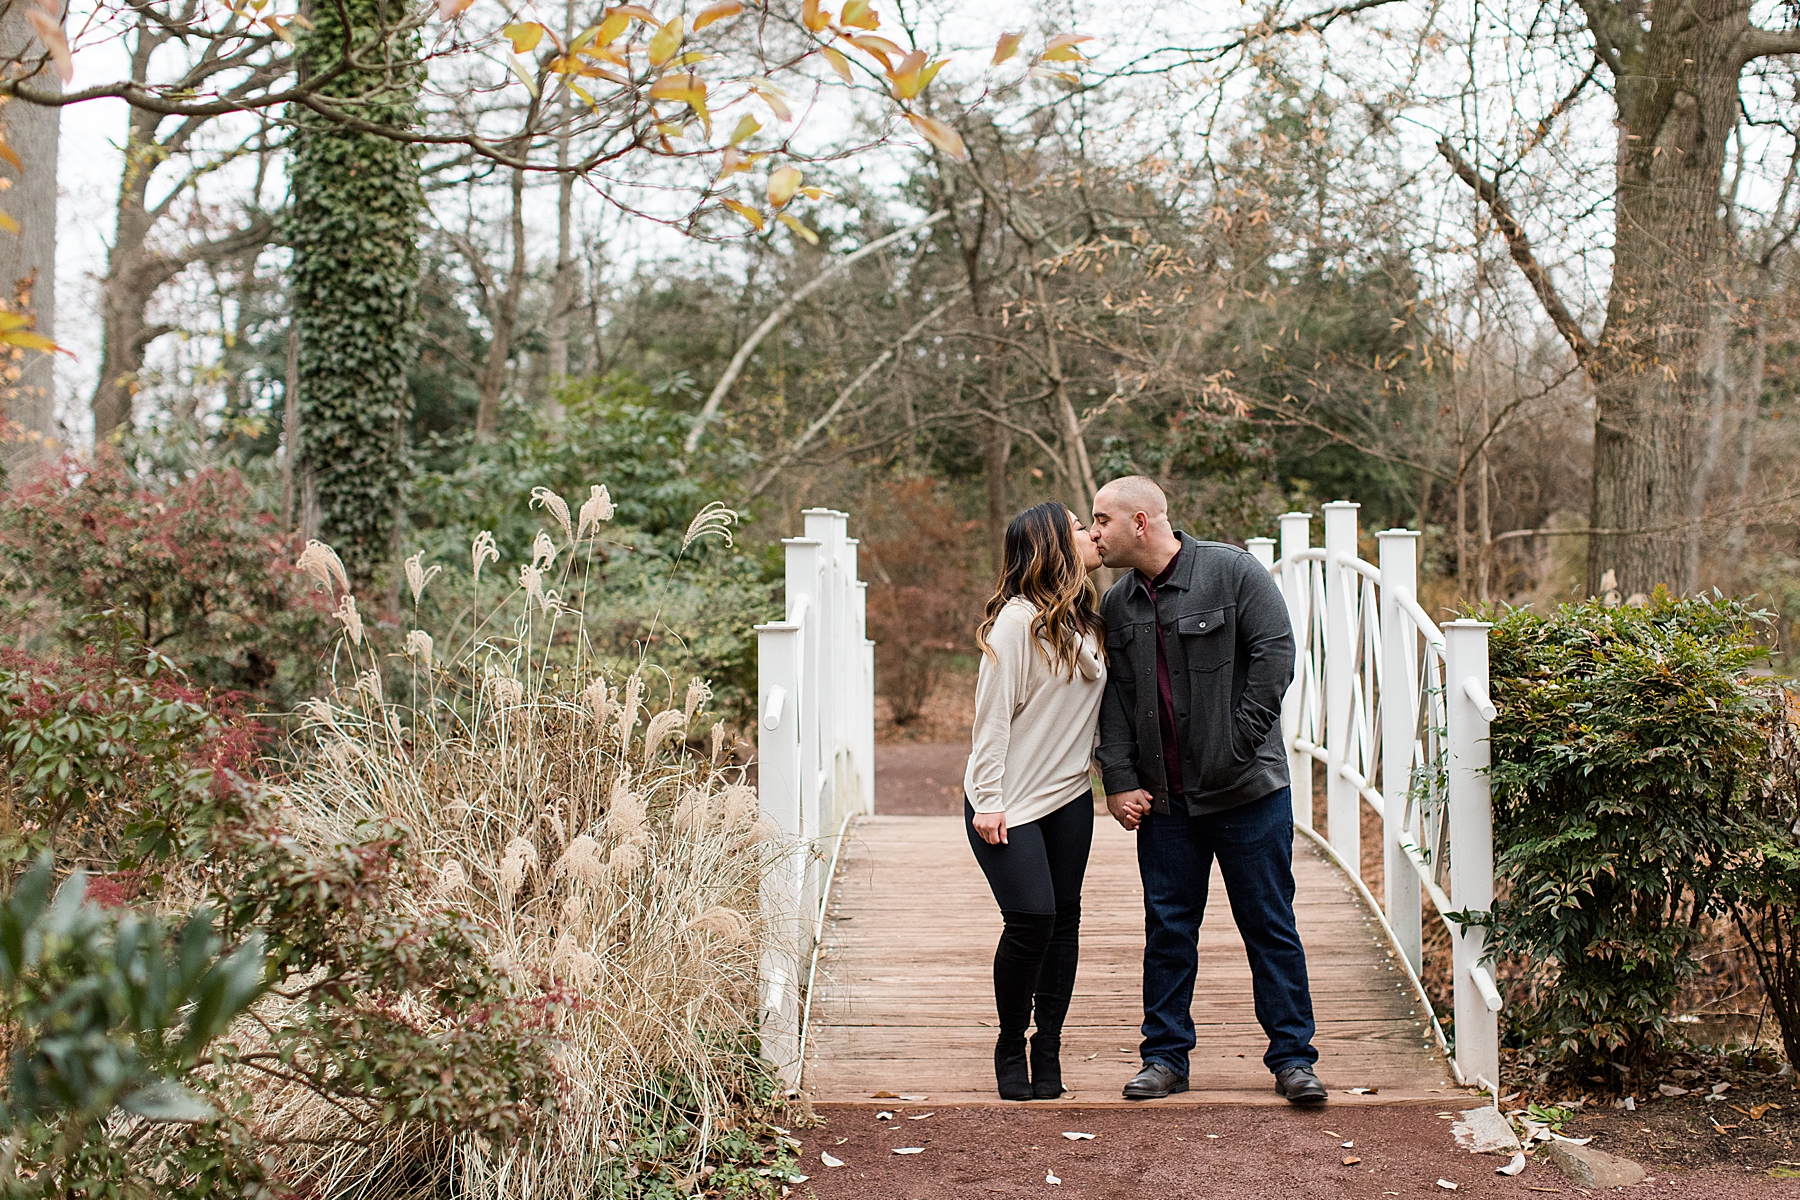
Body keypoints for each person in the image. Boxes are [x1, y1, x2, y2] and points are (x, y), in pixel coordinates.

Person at [1088, 475, 1326, 1105]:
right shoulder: (1118, 605)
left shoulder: (1234, 574)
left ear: (1139, 521)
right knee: (1168, 929)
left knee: (1269, 924)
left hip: (1249, 793)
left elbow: (1276, 660)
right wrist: (1119, 780)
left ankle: (1294, 1059)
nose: (1093, 534)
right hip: (1165, 803)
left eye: (1101, 520)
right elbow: (1114, 697)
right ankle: (1165, 1057)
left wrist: (1234, 747)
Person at [964, 502, 1107, 1101]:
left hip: (1069, 797)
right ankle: (1008, 1042)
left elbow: (1093, 721)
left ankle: (1048, 1045)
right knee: (1032, 919)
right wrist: (989, 802)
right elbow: (991, 723)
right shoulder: (1016, 623)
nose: (1091, 533)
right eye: (1079, 526)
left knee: (1065, 920)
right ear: (1053, 543)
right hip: (1006, 803)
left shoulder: (1086, 621)